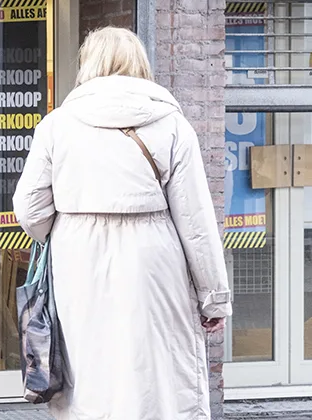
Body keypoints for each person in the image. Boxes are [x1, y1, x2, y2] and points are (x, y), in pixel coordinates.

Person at [13, 27, 231, 419]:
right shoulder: (171, 124)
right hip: (153, 254)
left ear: (88, 64)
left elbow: (29, 208)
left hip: (77, 254)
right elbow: (196, 221)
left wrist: (61, 231)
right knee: (155, 370)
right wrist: (214, 297)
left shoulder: (58, 125)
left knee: (90, 367)